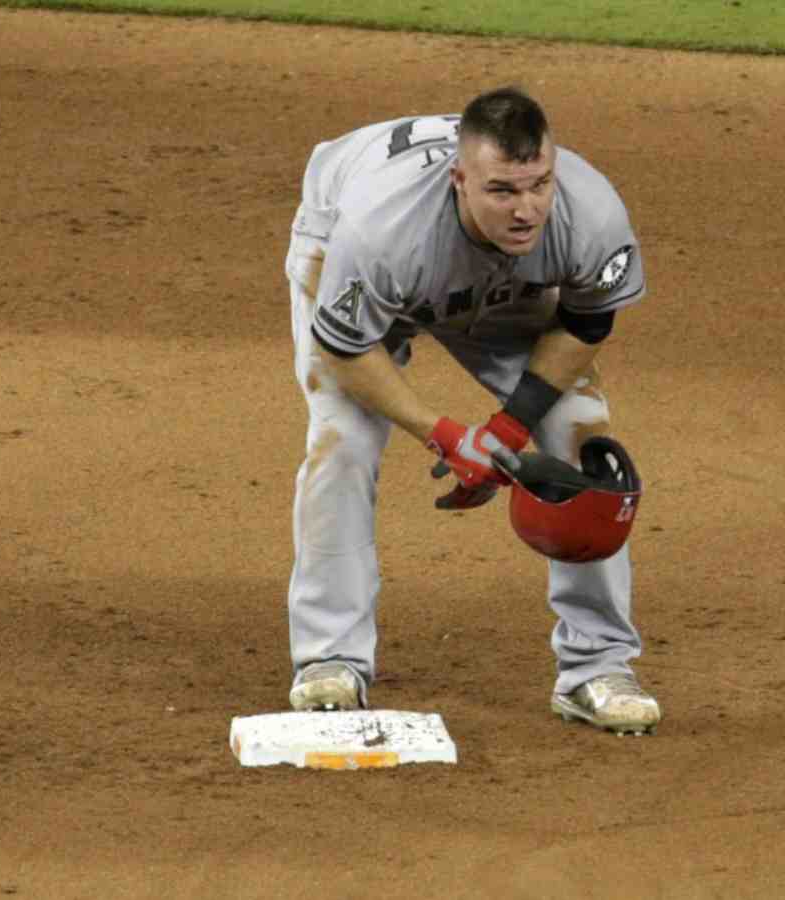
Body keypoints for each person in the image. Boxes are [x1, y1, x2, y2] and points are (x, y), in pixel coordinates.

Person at [282, 87, 661, 735]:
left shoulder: (587, 212)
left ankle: (597, 667)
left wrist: (512, 427)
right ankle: (331, 660)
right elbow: (346, 348)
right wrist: (448, 436)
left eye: (538, 184)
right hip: (361, 254)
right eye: (503, 192)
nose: (526, 208)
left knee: (578, 432)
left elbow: (584, 324)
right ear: (460, 180)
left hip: (505, 290)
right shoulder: (381, 226)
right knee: (341, 439)